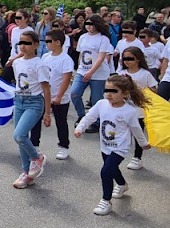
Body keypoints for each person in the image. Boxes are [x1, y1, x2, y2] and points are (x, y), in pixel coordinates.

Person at [74, 74, 150, 216]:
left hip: (120, 148)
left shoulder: (129, 111)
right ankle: (122, 184)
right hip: (105, 145)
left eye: (114, 91)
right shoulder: (101, 104)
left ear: (125, 94)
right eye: (107, 90)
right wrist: (80, 128)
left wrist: (143, 143)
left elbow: (136, 130)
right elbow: (90, 116)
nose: (109, 94)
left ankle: (106, 201)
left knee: (105, 171)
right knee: (112, 170)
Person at [11, 31, 50, 189]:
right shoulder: (17, 62)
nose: (23, 46)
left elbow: (46, 89)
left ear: (35, 45)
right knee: (20, 139)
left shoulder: (39, 64)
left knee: (19, 135)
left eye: (27, 43)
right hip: (18, 100)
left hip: (34, 102)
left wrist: (47, 113)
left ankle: (37, 157)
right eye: (21, 43)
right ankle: (26, 173)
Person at [70, 15, 114, 133]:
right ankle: (81, 115)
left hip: (98, 73)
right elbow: (81, 54)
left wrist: (91, 72)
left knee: (96, 99)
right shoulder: (83, 37)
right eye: (87, 24)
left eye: (92, 24)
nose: (89, 27)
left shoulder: (103, 39)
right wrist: (80, 69)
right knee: (74, 93)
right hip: (82, 70)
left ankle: (97, 122)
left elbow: (101, 58)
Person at [118, 46, 157, 170]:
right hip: (124, 109)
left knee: (138, 134)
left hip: (138, 111)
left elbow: (154, 90)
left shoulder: (145, 74)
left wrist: (142, 93)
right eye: (125, 58)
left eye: (130, 58)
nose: (127, 61)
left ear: (138, 59)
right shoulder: (122, 73)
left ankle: (137, 157)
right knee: (123, 133)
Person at [41, 30, 74, 160]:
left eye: (49, 41)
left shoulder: (65, 59)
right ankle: (35, 145)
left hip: (59, 97)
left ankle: (64, 146)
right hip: (44, 96)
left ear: (58, 42)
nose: (47, 44)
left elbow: (66, 79)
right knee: (37, 121)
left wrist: (59, 96)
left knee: (61, 122)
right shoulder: (45, 57)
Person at [1, 9, 33, 83]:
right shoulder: (14, 30)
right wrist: (11, 58)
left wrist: (14, 59)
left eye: (20, 18)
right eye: (16, 18)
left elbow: (26, 48)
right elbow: (13, 45)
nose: (17, 20)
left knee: (21, 81)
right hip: (13, 57)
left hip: (23, 59)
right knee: (4, 78)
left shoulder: (29, 31)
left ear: (26, 19)